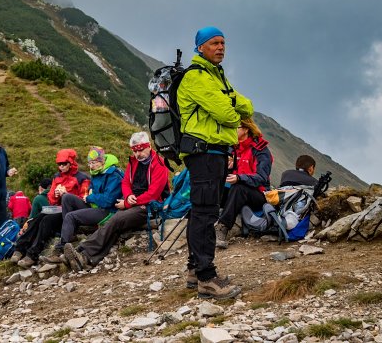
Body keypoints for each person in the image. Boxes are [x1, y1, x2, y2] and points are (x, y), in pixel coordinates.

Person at [176, 26, 252, 300]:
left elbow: (247, 106)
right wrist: (231, 105)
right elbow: (231, 116)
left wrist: (230, 102)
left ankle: (195, 270)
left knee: (202, 211)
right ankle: (207, 278)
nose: (220, 47)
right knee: (205, 213)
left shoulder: (216, 76)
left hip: (215, 151)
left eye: (223, 43)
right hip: (203, 152)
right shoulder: (196, 77)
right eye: (214, 43)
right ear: (200, 48)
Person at [63, 133, 169, 269]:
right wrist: (128, 195)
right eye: (135, 150)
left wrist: (128, 203)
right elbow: (125, 183)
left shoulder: (159, 164)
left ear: (149, 146)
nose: (138, 154)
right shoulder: (134, 162)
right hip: (134, 202)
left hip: (150, 206)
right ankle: (86, 258)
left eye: (141, 150)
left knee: (115, 220)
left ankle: (82, 252)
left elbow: (153, 194)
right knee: (115, 223)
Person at [41, 147, 123, 263]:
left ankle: (61, 249)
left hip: (107, 211)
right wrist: (88, 193)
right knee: (67, 197)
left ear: (102, 161)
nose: (90, 166)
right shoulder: (96, 172)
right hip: (95, 206)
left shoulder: (113, 175)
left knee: (70, 216)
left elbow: (108, 200)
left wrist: (90, 197)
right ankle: (71, 234)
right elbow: (91, 189)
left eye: (93, 162)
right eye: (89, 163)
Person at [11, 148, 90, 268]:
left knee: (46, 221)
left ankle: (32, 255)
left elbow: (84, 199)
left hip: (70, 212)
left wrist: (66, 194)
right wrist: (56, 195)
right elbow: (51, 198)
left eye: (64, 163)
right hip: (57, 208)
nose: (61, 166)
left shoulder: (82, 178)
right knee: (39, 216)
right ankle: (20, 248)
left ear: (71, 162)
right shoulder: (56, 177)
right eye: (59, 164)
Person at [215, 118, 272, 249]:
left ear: (246, 129)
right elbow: (234, 172)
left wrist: (240, 178)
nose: (232, 130)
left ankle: (222, 227)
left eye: (236, 127)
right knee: (217, 186)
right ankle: (205, 221)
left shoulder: (261, 150)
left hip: (259, 194)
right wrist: (228, 168)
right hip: (239, 191)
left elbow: (261, 177)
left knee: (238, 187)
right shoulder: (234, 148)